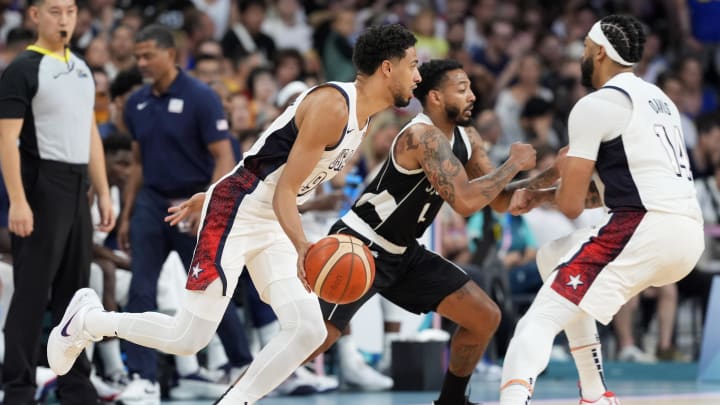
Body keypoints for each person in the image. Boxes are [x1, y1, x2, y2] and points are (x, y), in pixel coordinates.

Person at [47, 23, 421, 404]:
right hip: (242, 211)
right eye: (413, 65)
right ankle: (90, 321)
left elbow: (264, 155)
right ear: (388, 68)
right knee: (188, 337)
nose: (419, 75)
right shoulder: (334, 106)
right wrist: (302, 246)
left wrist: (212, 192)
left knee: (309, 329)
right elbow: (283, 191)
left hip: (266, 213)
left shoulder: (364, 117)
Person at [499, 15, 704, 405]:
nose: (581, 58)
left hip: (644, 227)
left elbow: (574, 204)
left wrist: (554, 178)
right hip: (686, 235)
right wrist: (542, 196)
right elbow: (616, 190)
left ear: (599, 52)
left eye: (583, 50)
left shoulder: (595, 105)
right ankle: (595, 393)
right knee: (553, 257)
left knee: (536, 323)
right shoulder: (661, 101)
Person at [308, 59, 537, 405]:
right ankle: (243, 394)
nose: (473, 96)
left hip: (403, 252)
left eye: (471, 88)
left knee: (484, 316)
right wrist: (513, 163)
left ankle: (451, 402)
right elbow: (463, 201)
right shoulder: (421, 135)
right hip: (361, 244)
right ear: (435, 97)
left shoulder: (468, 137)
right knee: (314, 341)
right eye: (462, 90)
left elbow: (500, 200)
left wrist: (551, 178)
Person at [105, 24, 253, 401]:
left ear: (170, 54)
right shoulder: (137, 102)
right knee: (141, 288)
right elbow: (137, 163)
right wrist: (127, 216)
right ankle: (145, 378)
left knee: (208, 290)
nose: (141, 63)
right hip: (151, 204)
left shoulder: (201, 97)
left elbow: (225, 157)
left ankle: (242, 365)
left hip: (192, 204)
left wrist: (206, 201)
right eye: (137, 56)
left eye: (147, 55)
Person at [0, 0, 115, 403]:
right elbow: (6, 140)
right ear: (34, 16)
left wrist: (101, 192)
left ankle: (76, 385)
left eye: (69, 10)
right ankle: (17, 387)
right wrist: (18, 200)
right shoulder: (22, 70)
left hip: (77, 183)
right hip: (40, 184)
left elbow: (90, 134)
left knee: (76, 292)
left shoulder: (82, 69)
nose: (64, 18)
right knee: (32, 292)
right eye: (54, 10)